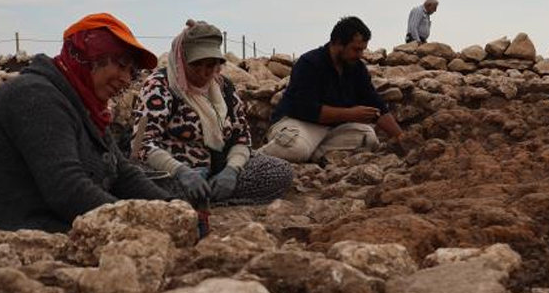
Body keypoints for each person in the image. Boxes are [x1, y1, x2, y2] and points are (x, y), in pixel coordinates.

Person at [0, 13, 173, 234]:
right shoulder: (37, 97)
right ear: (88, 55)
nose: (126, 79)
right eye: (121, 64)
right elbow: (68, 189)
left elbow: (122, 173)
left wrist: (173, 210)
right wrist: (144, 225)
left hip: (24, 223)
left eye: (132, 71)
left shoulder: (82, 106)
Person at [132, 20, 293, 205]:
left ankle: (209, 195)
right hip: (174, 173)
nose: (203, 73)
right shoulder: (160, 86)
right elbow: (143, 144)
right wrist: (181, 171)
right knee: (142, 182)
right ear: (181, 59)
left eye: (210, 65)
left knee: (280, 171)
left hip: (218, 169)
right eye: (196, 65)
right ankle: (202, 198)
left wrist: (232, 170)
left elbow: (242, 138)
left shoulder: (224, 88)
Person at [260, 16, 404, 165]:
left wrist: (401, 137)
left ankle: (312, 153)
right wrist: (351, 114)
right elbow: (307, 109)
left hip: (332, 130)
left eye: (362, 50)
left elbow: (375, 103)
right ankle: (254, 158)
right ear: (338, 43)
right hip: (299, 123)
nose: (360, 55)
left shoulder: (356, 68)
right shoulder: (309, 63)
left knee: (368, 138)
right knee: (296, 149)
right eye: (356, 49)